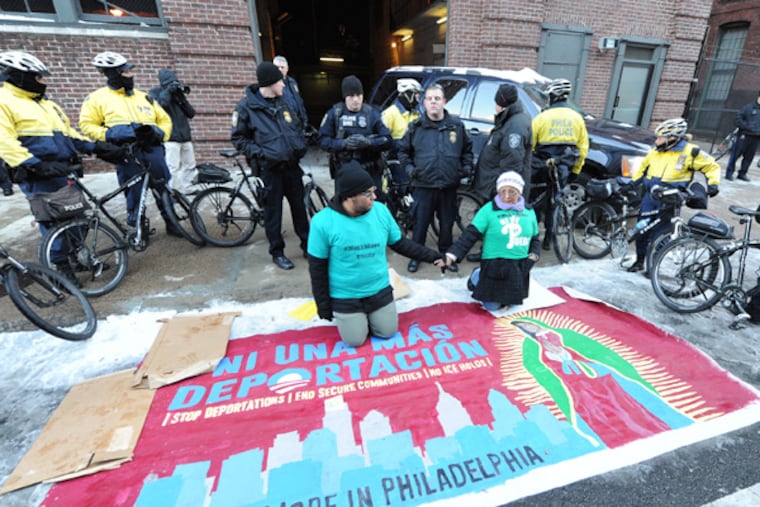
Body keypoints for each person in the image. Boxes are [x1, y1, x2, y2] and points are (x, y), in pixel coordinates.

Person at [0, 50, 125, 274]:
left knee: (77, 217)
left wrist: (98, 148)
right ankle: (61, 270)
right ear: (19, 76)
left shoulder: (46, 104)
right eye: (38, 77)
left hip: (63, 170)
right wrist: (35, 164)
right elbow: (4, 141)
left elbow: (68, 134)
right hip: (39, 175)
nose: (42, 82)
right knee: (54, 223)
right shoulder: (5, 102)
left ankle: (77, 257)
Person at [307, 161, 444, 347]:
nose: (374, 196)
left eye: (373, 190)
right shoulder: (322, 222)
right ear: (349, 196)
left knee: (387, 332)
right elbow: (317, 267)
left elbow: (401, 244)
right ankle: (356, 321)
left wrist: (433, 256)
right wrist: (323, 304)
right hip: (346, 296)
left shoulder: (380, 210)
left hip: (378, 290)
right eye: (367, 193)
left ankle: (370, 318)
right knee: (355, 341)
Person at [79, 51, 182, 237]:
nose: (130, 75)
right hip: (127, 153)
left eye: (129, 72)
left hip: (152, 149)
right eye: (125, 73)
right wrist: (112, 134)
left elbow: (164, 120)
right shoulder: (96, 99)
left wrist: (159, 135)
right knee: (134, 192)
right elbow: (87, 125)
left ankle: (172, 222)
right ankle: (138, 228)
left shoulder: (144, 97)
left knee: (163, 186)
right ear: (113, 74)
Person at [231, 61, 310, 271]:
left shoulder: (284, 103)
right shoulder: (245, 108)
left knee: (300, 209)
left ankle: (306, 245)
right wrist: (262, 154)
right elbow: (239, 140)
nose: (284, 85)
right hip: (269, 171)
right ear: (269, 83)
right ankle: (277, 252)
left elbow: (295, 126)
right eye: (280, 81)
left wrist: (299, 144)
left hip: (292, 167)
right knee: (272, 213)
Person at [397, 83, 474, 273]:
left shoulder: (456, 126)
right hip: (423, 185)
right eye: (430, 99)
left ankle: (446, 257)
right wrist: (410, 169)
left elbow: (468, 151)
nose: (433, 102)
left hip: (449, 185)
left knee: (447, 225)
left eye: (437, 98)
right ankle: (417, 256)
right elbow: (403, 151)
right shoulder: (416, 127)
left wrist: (465, 168)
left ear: (444, 102)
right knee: (420, 224)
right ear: (424, 102)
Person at [627, 118, 720, 273]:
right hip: (650, 198)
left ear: (672, 138)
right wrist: (632, 183)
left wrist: (713, 184)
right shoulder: (655, 151)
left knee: (660, 235)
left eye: (661, 137)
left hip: (670, 200)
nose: (657, 141)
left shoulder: (691, 152)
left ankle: (653, 266)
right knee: (641, 230)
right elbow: (642, 168)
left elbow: (711, 166)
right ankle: (639, 260)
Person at [445, 171, 540, 311]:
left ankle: (487, 279)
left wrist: (534, 255)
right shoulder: (488, 210)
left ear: (520, 192)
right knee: (492, 307)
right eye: (503, 191)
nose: (506, 196)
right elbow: (470, 235)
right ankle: (477, 276)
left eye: (512, 192)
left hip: (519, 265)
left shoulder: (529, 212)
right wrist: (453, 254)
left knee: (512, 304)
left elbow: (535, 239)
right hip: (496, 266)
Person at [468, 83, 532, 262]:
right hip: (494, 180)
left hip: (501, 184)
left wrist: (504, 191)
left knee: (497, 220)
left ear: (502, 103)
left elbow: (512, 159)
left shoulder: (515, 125)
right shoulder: (510, 118)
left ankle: (489, 255)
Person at [531, 78, 589, 250]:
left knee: (535, 200)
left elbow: (530, 144)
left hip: (542, 166)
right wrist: (576, 171)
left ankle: (533, 237)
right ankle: (549, 238)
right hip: (563, 167)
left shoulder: (541, 117)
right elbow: (583, 148)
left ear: (553, 97)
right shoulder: (577, 118)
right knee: (554, 201)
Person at [317, 74, 392, 193]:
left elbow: (388, 140)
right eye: (351, 96)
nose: (356, 99)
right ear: (345, 97)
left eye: (359, 95)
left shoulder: (373, 114)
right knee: (345, 208)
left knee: (373, 207)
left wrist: (369, 143)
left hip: (370, 172)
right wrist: (343, 144)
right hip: (345, 172)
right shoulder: (335, 114)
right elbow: (322, 140)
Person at [149, 69, 197, 195]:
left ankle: (189, 187)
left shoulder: (177, 96)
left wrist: (182, 99)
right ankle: (173, 191)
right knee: (173, 167)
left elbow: (191, 113)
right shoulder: (156, 93)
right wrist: (169, 91)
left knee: (189, 164)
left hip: (185, 136)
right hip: (170, 137)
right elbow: (160, 105)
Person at [381, 78, 422, 191]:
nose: (418, 99)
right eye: (417, 95)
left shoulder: (416, 114)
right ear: (409, 95)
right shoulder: (390, 114)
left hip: (411, 163)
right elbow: (382, 142)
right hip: (395, 164)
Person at [725, 90, 760, 182]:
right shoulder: (748, 108)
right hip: (744, 136)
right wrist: (747, 126)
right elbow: (737, 120)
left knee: (749, 157)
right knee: (736, 155)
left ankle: (742, 174)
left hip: (756, 138)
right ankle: (729, 173)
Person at [273, 55, 309, 129]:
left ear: (287, 69)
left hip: (299, 123)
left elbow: (299, 102)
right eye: (277, 67)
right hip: (285, 125)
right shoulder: (272, 85)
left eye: (282, 67)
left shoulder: (292, 82)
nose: (279, 69)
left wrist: (305, 120)